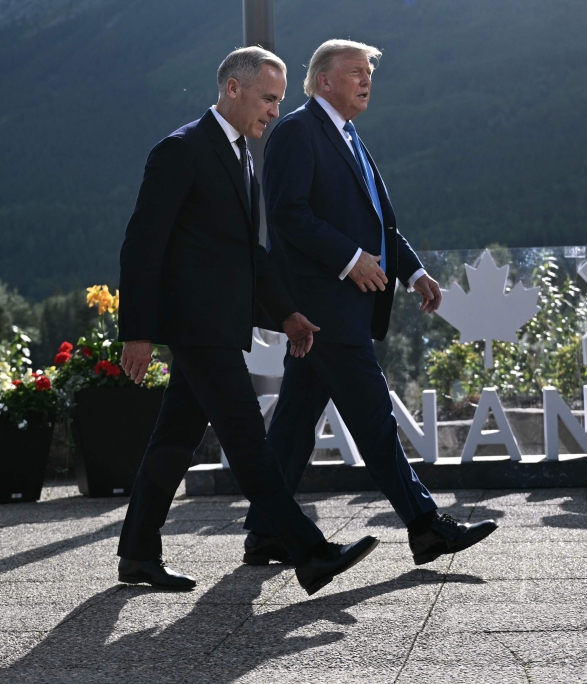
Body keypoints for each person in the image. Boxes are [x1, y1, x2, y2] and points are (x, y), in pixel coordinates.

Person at [115, 47, 379, 595]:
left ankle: (138, 554)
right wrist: (137, 331)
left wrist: (286, 315)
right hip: (196, 329)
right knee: (249, 442)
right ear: (232, 90)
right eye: (267, 99)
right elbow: (142, 246)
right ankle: (308, 551)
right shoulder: (180, 151)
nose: (275, 112)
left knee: (172, 442)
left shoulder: (243, 158)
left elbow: (249, 256)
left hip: (217, 328)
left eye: (279, 100)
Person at [245, 39, 497, 567]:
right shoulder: (296, 131)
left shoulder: (349, 135)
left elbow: (381, 224)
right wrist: (349, 259)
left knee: (293, 424)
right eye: (355, 71)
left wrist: (415, 272)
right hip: (325, 307)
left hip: (336, 311)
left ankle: (266, 530)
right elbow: (288, 214)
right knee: (375, 418)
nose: (366, 81)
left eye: (369, 74)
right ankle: (425, 526)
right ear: (324, 80)